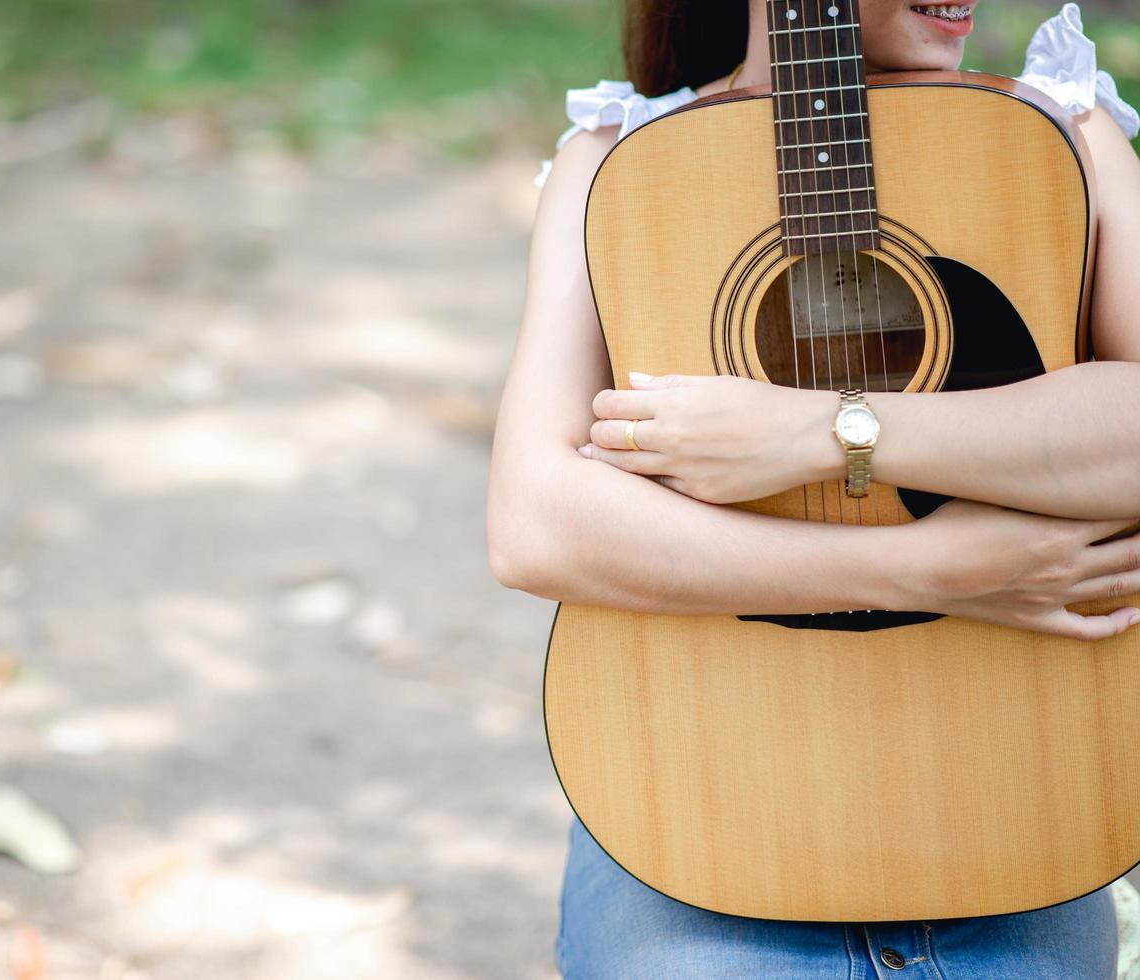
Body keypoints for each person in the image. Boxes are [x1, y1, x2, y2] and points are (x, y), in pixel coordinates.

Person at [485, 0, 1140, 977]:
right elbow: (536, 526)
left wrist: (817, 430)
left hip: (1021, 788)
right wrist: (926, 568)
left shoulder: (1059, 130)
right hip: (693, 816)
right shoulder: (620, 160)